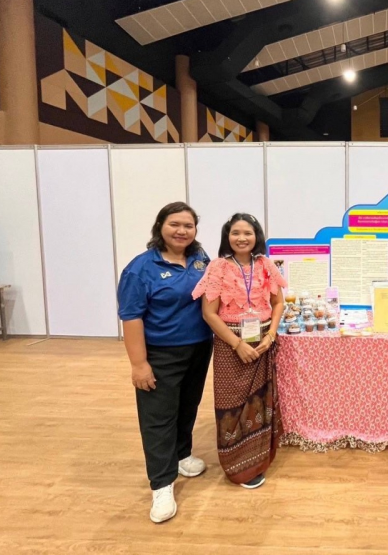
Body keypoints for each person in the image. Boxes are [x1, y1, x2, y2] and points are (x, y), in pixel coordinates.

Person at [117, 202, 213, 524]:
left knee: (187, 406)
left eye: (188, 225)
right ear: (160, 226)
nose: (181, 231)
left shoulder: (200, 259)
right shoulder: (140, 269)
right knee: (158, 419)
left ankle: (182, 455)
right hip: (161, 354)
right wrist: (139, 364)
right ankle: (161, 484)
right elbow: (131, 317)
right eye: (175, 224)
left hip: (199, 348)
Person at [192, 213, 286, 489]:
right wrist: (237, 344)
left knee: (261, 401)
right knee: (231, 403)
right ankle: (237, 465)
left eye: (248, 233)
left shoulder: (266, 265)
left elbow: (278, 303)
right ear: (227, 237)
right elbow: (209, 313)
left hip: (263, 342)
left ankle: (258, 459)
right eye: (235, 233)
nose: (242, 238)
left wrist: (271, 335)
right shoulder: (218, 267)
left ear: (257, 236)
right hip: (230, 346)